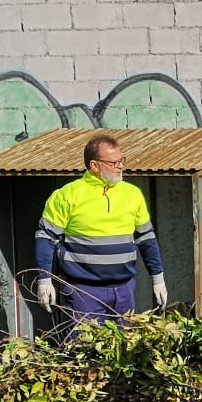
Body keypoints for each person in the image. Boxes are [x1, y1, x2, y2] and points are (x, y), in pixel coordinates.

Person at [33, 134, 165, 334]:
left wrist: (158, 278)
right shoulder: (68, 195)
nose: (120, 166)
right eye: (114, 162)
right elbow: (45, 238)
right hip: (83, 292)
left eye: (122, 160)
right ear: (94, 166)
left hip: (124, 290)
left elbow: (147, 239)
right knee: (84, 353)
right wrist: (44, 279)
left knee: (124, 352)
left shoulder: (132, 194)